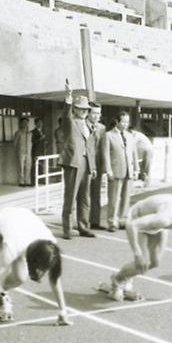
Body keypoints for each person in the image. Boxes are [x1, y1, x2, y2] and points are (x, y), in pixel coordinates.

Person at [0, 207, 70, 341]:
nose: (41, 272)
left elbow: (55, 278)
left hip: (19, 224)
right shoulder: (14, 246)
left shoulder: (51, 247)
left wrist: (63, 311)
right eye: (40, 268)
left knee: (20, 278)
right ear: (32, 259)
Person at [97, 195, 172, 301]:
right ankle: (117, 281)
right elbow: (131, 225)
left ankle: (126, 277)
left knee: (155, 262)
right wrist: (137, 254)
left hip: (156, 219)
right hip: (139, 217)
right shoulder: (165, 219)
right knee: (142, 262)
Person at [59, 83, 97, 240]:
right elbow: (66, 114)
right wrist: (68, 98)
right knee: (70, 196)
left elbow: (91, 148)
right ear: (74, 109)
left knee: (84, 197)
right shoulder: (70, 122)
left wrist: (93, 166)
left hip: (86, 164)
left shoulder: (89, 125)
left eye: (86, 109)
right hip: (73, 163)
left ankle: (83, 226)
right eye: (80, 108)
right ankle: (67, 229)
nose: (83, 111)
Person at [103, 111, 139, 232]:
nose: (125, 124)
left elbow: (134, 153)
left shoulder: (130, 136)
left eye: (127, 122)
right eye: (123, 121)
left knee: (126, 197)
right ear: (117, 121)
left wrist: (136, 169)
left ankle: (123, 220)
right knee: (114, 198)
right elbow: (106, 154)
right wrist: (108, 170)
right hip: (115, 170)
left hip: (129, 170)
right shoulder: (108, 135)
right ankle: (112, 222)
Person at [88, 104, 107, 231]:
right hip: (85, 165)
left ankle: (95, 221)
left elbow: (103, 149)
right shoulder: (82, 125)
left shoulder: (102, 128)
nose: (96, 116)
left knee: (96, 194)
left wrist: (104, 167)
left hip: (98, 166)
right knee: (83, 195)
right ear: (88, 113)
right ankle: (82, 222)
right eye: (94, 113)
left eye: (99, 113)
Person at [13, 117, 31, 186]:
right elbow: (14, 143)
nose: (25, 124)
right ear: (21, 123)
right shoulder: (18, 133)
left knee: (28, 166)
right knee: (21, 166)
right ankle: (21, 181)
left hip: (28, 152)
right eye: (23, 123)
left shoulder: (29, 133)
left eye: (26, 123)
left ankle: (27, 181)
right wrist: (18, 151)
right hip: (21, 152)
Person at [30, 117, 47, 187]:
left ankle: (42, 180)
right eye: (39, 123)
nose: (40, 124)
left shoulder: (43, 131)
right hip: (35, 151)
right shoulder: (32, 132)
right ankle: (33, 181)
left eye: (41, 123)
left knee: (42, 166)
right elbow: (32, 142)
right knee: (34, 166)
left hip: (42, 150)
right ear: (35, 124)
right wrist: (40, 139)